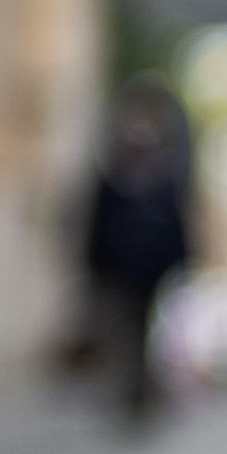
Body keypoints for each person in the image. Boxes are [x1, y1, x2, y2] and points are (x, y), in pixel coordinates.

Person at [79, 78, 192, 431]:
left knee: (143, 334)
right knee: (122, 334)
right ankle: (130, 391)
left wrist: (178, 263)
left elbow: (175, 228)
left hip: (149, 274)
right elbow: (96, 227)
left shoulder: (160, 182)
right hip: (119, 273)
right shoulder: (115, 181)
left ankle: (141, 392)